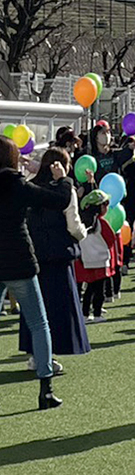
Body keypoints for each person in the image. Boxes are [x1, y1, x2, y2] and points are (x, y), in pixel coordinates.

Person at [0, 137, 69, 409]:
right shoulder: (17, 185)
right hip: (19, 259)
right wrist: (62, 179)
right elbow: (58, 200)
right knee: (39, 324)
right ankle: (46, 389)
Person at [20, 147, 90, 371]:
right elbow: (73, 224)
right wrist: (84, 233)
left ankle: (34, 354)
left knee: (34, 308)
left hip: (33, 254)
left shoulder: (30, 185)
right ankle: (47, 356)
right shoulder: (65, 189)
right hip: (58, 255)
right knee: (58, 308)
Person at [76, 191, 116, 322]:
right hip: (100, 259)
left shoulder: (81, 223)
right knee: (99, 289)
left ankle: (85, 314)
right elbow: (111, 239)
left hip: (85, 259)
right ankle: (97, 313)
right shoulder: (101, 223)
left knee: (89, 288)